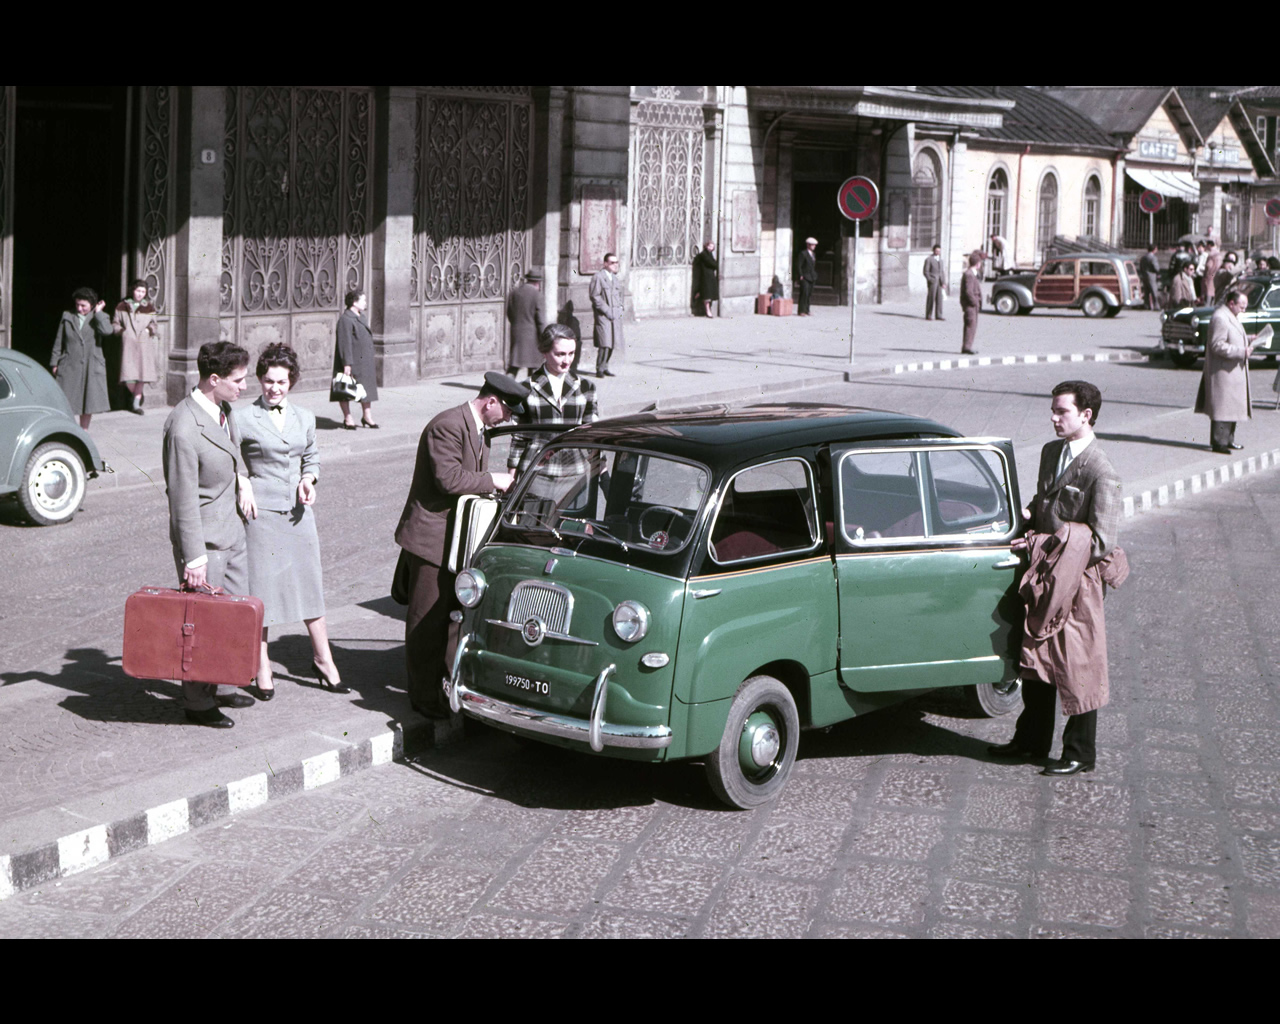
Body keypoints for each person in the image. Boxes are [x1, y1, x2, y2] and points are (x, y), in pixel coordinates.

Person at [989, 380, 1125, 776]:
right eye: (1053, 410)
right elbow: (1043, 503)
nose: (1053, 417)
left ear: (1086, 415)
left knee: (1079, 664)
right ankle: (1030, 743)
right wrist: (1024, 516)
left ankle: (1080, 753)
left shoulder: (1101, 470)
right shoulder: (1052, 452)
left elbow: (1101, 541)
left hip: (1078, 582)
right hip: (1044, 576)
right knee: (1036, 657)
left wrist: (1042, 544)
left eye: (1061, 411)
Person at [393, 371, 529, 718]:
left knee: (449, 618)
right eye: (507, 412)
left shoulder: (479, 429)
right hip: (431, 540)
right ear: (491, 401)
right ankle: (422, 698)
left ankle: (442, 687)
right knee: (426, 621)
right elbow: (448, 479)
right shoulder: (448, 426)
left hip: (453, 540)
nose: (507, 419)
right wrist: (493, 480)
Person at [234, 342, 345, 702]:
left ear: (291, 382)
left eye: (281, 382)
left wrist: (308, 479)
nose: (274, 388)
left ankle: (323, 659)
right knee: (262, 591)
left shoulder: (305, 417)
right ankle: (261, 666)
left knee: (309, 586)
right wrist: (242, 482)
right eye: (268, 381)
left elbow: (311, 456)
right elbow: (226, 459)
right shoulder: (242, 418)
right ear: (260, 379)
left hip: (298, 514)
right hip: (260, 515)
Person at [161, 341, 258, 728]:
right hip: (206, 545)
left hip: (232, 531)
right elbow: (182, 498)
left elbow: (231, 456)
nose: (245, 386)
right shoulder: (184, 427)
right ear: (214, 379)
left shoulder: (223, 410)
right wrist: (194, 557)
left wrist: (242, 479)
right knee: (203, 624)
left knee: (232, 619)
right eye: (238, 380)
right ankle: (198, 701)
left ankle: (223, 684)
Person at [508, 323, 599, 481]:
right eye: (560, 354)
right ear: (544, 352)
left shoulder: (586, 387)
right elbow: (519, 438)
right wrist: (511, 478)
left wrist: (602, 472)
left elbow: (592, 435)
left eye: (571, 353)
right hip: (536, 473)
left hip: (575, 473)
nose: (567, 360)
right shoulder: (525, 388)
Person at [1196, 287, 1259, 454]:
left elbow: (1232, 336)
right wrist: (1241, 352)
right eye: (1242, 306)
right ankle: (1219, 443)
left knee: (1232, 408)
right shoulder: (1220, 318)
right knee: (1223, 409)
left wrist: (1248, 339)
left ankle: (1228, 440)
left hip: (1231, 371)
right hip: (1223, 372)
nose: (1244, 310)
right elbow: (1217, 345)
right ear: (1231, 303)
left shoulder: (1230, 315)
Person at [51, 287, 112, 430]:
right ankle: (70, 431)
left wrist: (99, 313)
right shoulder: (67, 316)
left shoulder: (98, 317)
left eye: (83, 305)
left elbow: (107, 331)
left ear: (92, 304)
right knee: (66, 401)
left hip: (91, 365)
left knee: (88, 403)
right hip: (69, 364)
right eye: (77, 304)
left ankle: (84, 432)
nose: (79, 308)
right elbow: (59, 341)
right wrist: (54, 363)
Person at [331, 289, 378, 430]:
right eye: (363, 300)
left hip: (364, 360)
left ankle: (367, 417)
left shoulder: (361, 316)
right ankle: (348, 418)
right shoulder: (345, 319)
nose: (365, 303)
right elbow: (344, 342)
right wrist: (347, 363)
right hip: (350, 360)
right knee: (345, 389)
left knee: (367, 388)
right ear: (354, 302)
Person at [113, 279, 159, 414]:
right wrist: (123, 332)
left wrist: (149, 330)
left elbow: (154, 324)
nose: (140, 294)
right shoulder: (122, 306)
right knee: (128, 375)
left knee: (142, 375)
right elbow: (115, 323)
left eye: (143, 292)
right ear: (132, 290)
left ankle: (136, 404)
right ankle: (136, 396)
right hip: (128, 344)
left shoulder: (149, 307)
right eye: (138, 291)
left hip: (144, 345)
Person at [589, 252, 625, 378]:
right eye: (612, 263)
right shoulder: (598, 277)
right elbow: (595, 296)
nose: (615, 265)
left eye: (616, 262)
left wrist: (621, 307)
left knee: (612, 343)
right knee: (604, 343)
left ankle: (605, 367)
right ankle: (599, 368)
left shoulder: (615, 278)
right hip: (603, 315)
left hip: (615, 316)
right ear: (605, 264)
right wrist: (607, 310)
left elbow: (620, 295)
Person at [506, 269, 546, 376]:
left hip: (516, 332)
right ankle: (531, 385)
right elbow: (541, 320)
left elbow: (509, 313)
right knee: (534, 366)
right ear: (538, 283)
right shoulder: (537, 295)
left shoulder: (514, 293)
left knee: (514, 365)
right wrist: (544, 337)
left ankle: (504, 384)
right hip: (532, 336)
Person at [959, 251, 983, 354]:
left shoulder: (972, 274)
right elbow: (968, 291)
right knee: (970, 325)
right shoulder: (969, 274)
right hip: (970, 305)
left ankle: (968, 346)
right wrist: (974, 302)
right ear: (977, 264)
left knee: (972, 326)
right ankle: (967, 347)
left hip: (972, 304)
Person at [693, 240, 718, 317]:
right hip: (705, 277)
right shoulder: (704, 254)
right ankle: (707, 311)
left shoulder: (710, 254)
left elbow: (714, 264)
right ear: (706, 246)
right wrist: (714, 264)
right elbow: (713, 264)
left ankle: (708, 309)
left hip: (710, 277)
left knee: (709, 294)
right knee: (707, 295)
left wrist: (714, 264)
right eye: (710, 246)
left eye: (712, 246)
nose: (711, 248)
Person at [923, 244, 946, 320]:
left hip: (939, 282)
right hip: (933, 282)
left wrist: (944, 282)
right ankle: (928, 315)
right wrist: (930, 279)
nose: (938, 252)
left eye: (939, 251)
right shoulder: (929, 259)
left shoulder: (941, 260)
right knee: (931, 298)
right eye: (936, 251)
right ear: (933, 251)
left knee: (939, 299)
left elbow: (942, 272)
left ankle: (939, 315)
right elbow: (925, 271)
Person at [797, 237, 818, 316]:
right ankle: (801, 310)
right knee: (804, 293)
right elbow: (799, 265)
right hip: (805, 276)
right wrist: (800, 275)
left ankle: (807, 310)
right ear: (808, 245)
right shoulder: (803, 254)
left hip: (812, 277)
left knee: (809, 294)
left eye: (815, 245)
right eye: (812, 245)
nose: (814, 246)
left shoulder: (813, 254)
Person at [1138, 245, 1160, 310]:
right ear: (1154, 249)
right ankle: (1156, 306)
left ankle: (1146, 305)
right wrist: (1158, 272)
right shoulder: (1153, 258)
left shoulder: (1143, 257)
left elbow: (1141, 267)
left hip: (1144, 275)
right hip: (1152, 276)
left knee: (1146, 291)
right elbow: (1156, 268)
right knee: (1154, 291)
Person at [1203, 240, 1223, 304]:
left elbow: (1210, 265)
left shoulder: (1213, 254)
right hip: (1214, 275)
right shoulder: (1217, 253)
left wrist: (1209, 274)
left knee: (1208, 295)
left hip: (1211, 276)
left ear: (1209, 245)